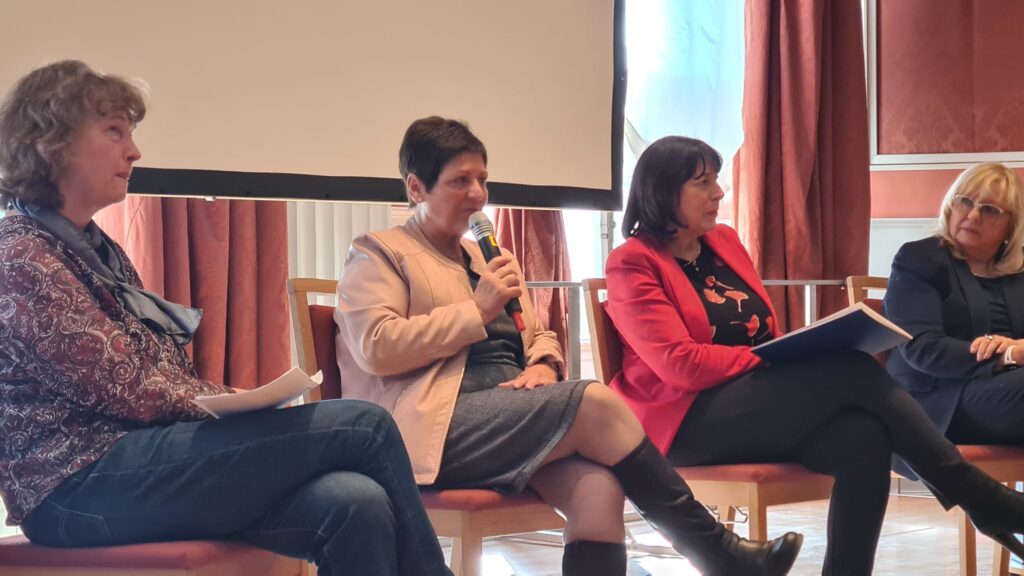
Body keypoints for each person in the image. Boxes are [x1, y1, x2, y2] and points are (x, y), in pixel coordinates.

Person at [0, 60, 448, 576]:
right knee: (365, 424)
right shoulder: (22, 257)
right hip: (72, 486)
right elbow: (128, 386)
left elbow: (161, 372)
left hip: (134, 461)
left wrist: (232, 404)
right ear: (51, 141)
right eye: (114, 131)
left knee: (356, 502)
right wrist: (236, 405)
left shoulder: (100, 252)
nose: (134, 150)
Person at [334, 116, 802, 576]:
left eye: (482, 179)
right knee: (594, 399)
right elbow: (377, 347)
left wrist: (542, 365)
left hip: (507, 415)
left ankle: (720, 557)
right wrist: (476, 310)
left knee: (598, 489)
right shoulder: (379, 252)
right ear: (416, 188)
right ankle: (717, 553)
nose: (478, 195)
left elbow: (538, 334)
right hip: (429, 426)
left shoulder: (486, 256)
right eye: (460, 181)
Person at [604, 135, 1024, 576]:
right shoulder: (632, 263)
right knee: (853, 369)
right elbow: (681, 367)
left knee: (864, 437)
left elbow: (765, 331)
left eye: (718, 180)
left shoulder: (724, 242)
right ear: (663, 192)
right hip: (684, 421)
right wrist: (771, 358)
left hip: (747, 402)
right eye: (703, 183)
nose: (719, 193)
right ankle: (978, 495)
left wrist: (792, 348)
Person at [885, 163, 1024, 444]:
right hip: (939, 399)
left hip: (1004, 392)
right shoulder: (919, 259)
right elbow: (923, 349)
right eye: (965, 202)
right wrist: (1008, 356)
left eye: (989, 209)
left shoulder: (1019, 271)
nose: (973, 215)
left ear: (1012, 225)